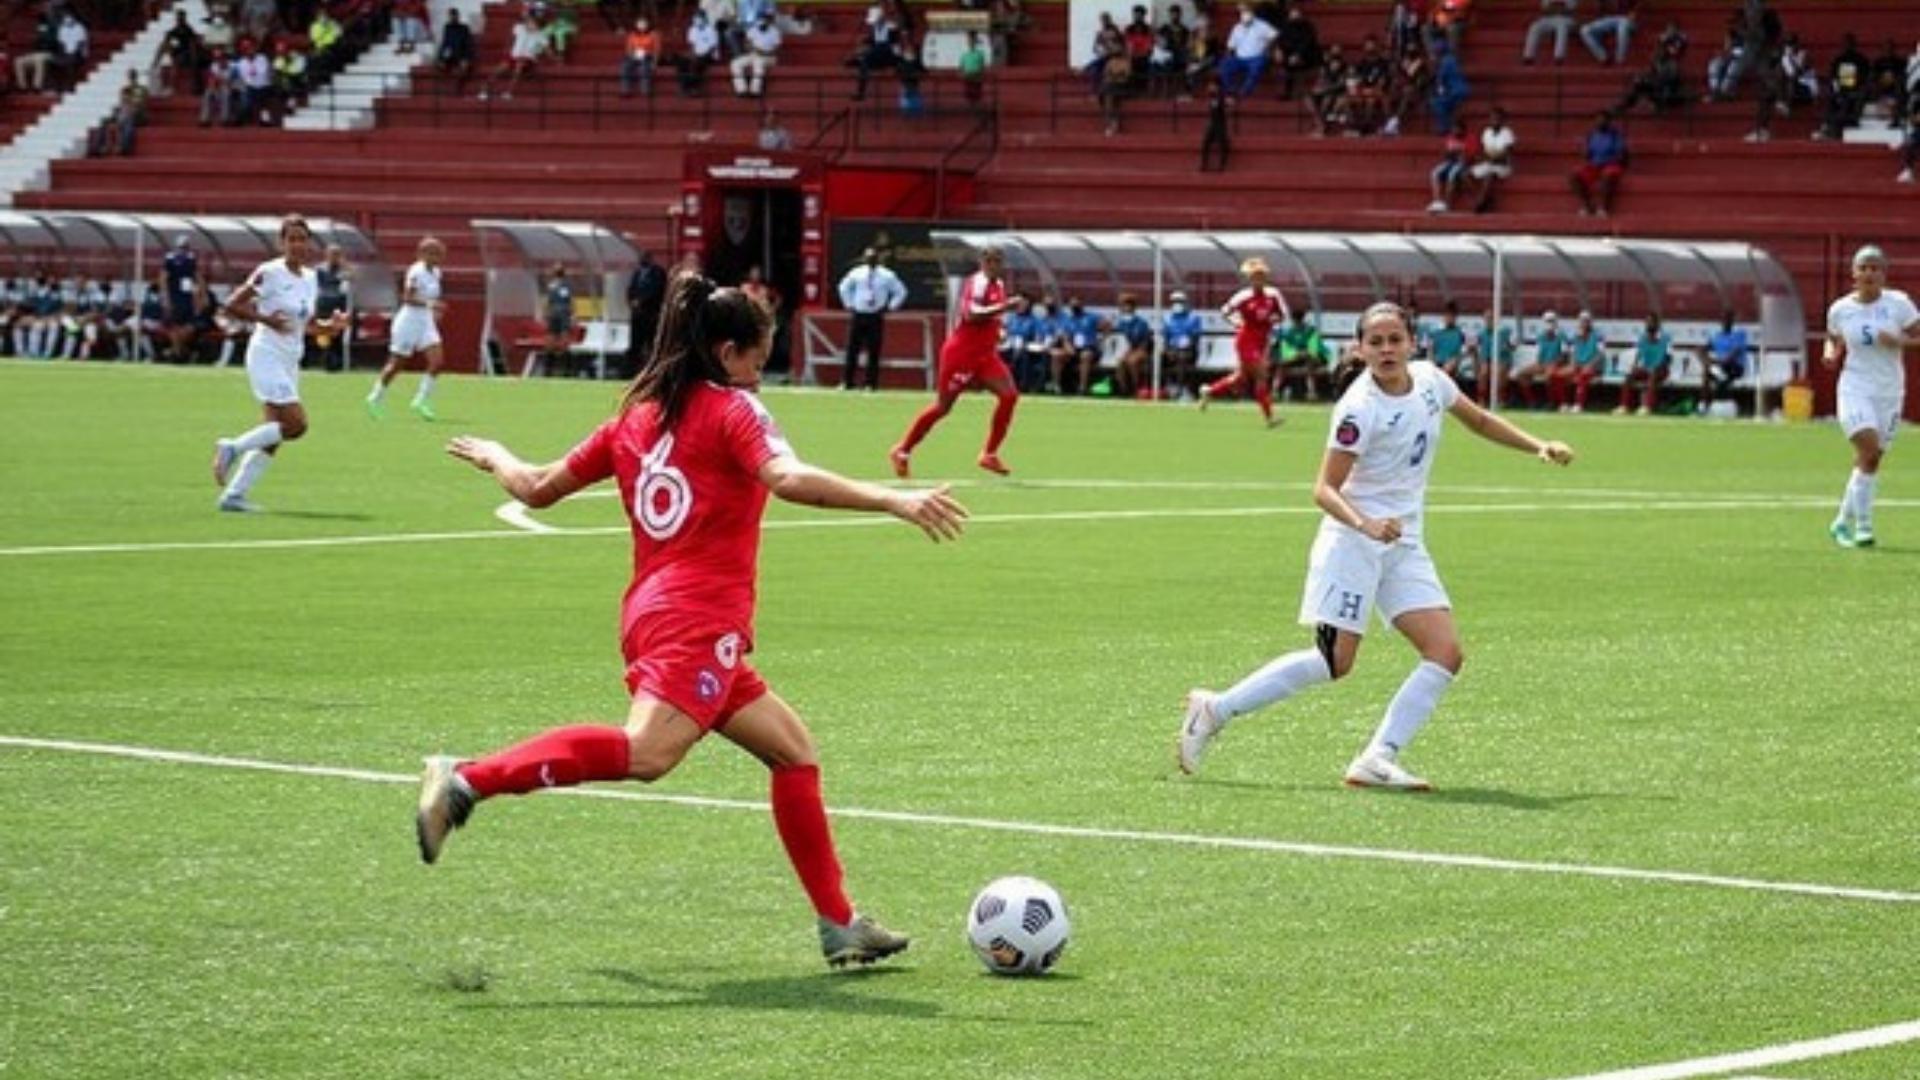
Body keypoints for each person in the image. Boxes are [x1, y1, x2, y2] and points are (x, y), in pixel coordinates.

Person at [414, 270, 969, 968]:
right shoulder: (733, 411)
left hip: (657, 615)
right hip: (697, 621)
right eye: (758, 363)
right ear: (730, 352)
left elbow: (535, 488)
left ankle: (839, 922)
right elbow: (788, 479)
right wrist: (894, 500)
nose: (760, 379)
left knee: (793, 751)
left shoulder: (634, 418)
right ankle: (466, 780)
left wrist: (497, 453)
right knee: (647, 753)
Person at [1178, 301, 1574, 789]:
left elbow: (1479, 421)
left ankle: (1377, 757)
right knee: (1334, 662)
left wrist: (1537, 445)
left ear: (1412, 342)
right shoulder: (1359, 408)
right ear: (1360, 348)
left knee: (1445, 652)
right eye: (1376, 341)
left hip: (1403, 544)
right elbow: (1324, 488)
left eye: (1395, 340)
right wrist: (1365, 524)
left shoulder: (1431, 381)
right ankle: (1215, 709)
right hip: (1353, 544)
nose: (1387, 349)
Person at [209, 215, 350, 513]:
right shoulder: (269, 272)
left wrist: (330, 327)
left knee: (274, 432)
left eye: (302, 239)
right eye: (291, 239)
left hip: (290, 359)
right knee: (296, 425)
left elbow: (305, 324)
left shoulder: (311, 278)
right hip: (266, 354)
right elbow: (232, 304)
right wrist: (265, 319)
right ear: (281, 242)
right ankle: (231, 448)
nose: (297, 244)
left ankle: (234, 496)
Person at [889, 245, 1018, 478]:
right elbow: (971, 315)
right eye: (990, 260)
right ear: (982, 262)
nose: (994, 265)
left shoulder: (998, 285)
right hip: (961, 355)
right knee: (943, 407)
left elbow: (991, 317)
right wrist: (1005, 307)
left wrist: (998, 330)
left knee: (1009, 395)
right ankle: (902, 450)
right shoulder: (975, 283)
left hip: (985, 355)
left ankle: (989, 454)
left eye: (998, 261)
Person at [1823, 245, 1920, 548]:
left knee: (1872, 458)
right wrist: (1830, 353)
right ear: (1853, 273)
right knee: (1867, 445)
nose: (1869, 273)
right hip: (1855, 387)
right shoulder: (1841, 309)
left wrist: (1900, 341)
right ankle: (1864, 527)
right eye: (1863, 268)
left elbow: (1917, 336)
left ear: (1883, 274)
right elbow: (1833, 338)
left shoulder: (1898, 304)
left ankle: (1841, 521)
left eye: (1875, 268)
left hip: (1889, 391)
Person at [1200, 257, 1288, 427]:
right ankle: (1270, 418)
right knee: (1261, 375)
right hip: (1246, 339)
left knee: (1241, 378)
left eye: (1261, 276)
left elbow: (1283, 314)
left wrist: (1274, 319)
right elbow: (1225, 310)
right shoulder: (1243, 296)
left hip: (1263, 340)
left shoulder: (1273, 294)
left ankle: (1209, 391)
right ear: (1250, 279)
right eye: (1254, 277)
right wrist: (1235, 322)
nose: (1258, 280)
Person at [367, 237, 448, 419]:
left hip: (425, 322)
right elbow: (407, 298)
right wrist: (431, 305)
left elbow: (433, 300)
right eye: (432, 252)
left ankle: (421, 400)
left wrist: (435, 311)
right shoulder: (416, 272)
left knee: (437, 362)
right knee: (397, 364)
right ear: (422, 254)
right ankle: (375, 396)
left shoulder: (436, 272)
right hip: (409, 321)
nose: (437, 256)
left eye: (439, 253)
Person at [836, 247, 906, 391]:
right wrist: (849, 304)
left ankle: (870, 383)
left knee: (873, 351)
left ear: (878, 259)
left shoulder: (887, 275)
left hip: (875, 315)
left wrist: (890, 307)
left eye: (873, 257)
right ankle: (847, 382)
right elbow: (843, 287)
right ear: (864, 258)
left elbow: (901, 291)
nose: (871, 260)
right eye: (868, 257)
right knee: (852, 349)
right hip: (859, 314)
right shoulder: (857, 273)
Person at [1568, 109, 1625, 217]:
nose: (1600, 122)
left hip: (1610, 164)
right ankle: (1587, 206)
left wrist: (1608, 161)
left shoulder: (1615, 135)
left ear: (1609, 122)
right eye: (1597, 120)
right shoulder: (1592, 135)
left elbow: (1620, 155)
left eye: (1603, 120)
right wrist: (1585, 153)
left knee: (1607, 175)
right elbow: (1587, 155)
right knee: (1574, 176)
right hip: (1595, 165)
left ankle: (1603, 208)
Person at [1614, 312, 1671, 415]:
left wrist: (1658, 367)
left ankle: (1646, 407)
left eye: (1651, 322)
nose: (1649, 324)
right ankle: (1624, 406)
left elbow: (1668, 358)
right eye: (1647, 322)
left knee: (1652, 374)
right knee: (1629, 375)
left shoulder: (1665, 337)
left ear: (1657, 324)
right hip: (1646, 368)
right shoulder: (1642, 337)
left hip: (1661, 369)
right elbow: (1638, 355)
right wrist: (1634, 366)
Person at [624, 249, 667, 377]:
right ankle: (632, 374)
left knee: (653, 346)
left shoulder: (658, 273)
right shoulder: (637, 273)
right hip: (637, 316)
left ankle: (653, 375)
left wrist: (641, 301)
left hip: (651, 316)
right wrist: (631, 301)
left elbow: (657, 290)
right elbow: (631, 289)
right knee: (635, 346)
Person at [1466, 105, 1515, 213]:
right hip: (1488, 162)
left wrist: (1492, 158)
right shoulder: (1486, 132)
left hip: (1502, 166)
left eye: (1497, 119)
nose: (1494, 121)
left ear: (1503, 120)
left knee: (1489, 176)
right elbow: (1484, 151)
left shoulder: (1507, 133)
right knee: (1466, 175)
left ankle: (1480, 202)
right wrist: (1483, 157)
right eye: (1492, 119)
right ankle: (1483, 198)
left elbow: (1507, 155)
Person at [1700, 312, 1747, 413]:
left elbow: (1733, 355)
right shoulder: (1717, 336)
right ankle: (1704, 406)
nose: (1725, 322)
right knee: (1707, 373)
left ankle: (1721, 406)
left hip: (1736, 367)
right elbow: (1701, 349)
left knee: (1720, 374)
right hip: (1720, 366)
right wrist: (1706, 359)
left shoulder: (1739, 335)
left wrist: (1715, 362)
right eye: (1724, 319)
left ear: (1732, 321)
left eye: (1728, 319)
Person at [1161, 290, 1203, 398]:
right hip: (1171, 349)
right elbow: (1166, 337)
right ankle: (1166, 387)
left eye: (1179, 301)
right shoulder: (1167, 318)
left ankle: (1182, 389)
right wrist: (1167, 349)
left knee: (1182, 358)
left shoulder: (1193, 318)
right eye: (1174, 301)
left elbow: (1195, 337)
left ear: (1185, 302)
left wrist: (1187, 345)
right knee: (1157, 358)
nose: (1177, 304)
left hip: (1189, 350)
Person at [1522, 0, 1576, 65]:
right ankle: (1528, 56)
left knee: (1562, 27)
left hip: (1565, 18)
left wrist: (1555, 8)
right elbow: (1545, 9)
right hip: (1548, 18)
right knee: (1534, 26)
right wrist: (1558, 8)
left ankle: (1559, 56)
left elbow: (1569, 10)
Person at [619, 15, 658, 97]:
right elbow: (629, 49)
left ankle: (645, 91)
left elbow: (656, 50)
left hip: (647, 55)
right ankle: (625, 91)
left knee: (644, 68)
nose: (642, 26)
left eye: (644, 24)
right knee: (625, 66)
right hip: (634, 55)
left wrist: (654, 62)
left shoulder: (653, 34)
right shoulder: (632, 35)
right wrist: (632, 55)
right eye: (640, 24)